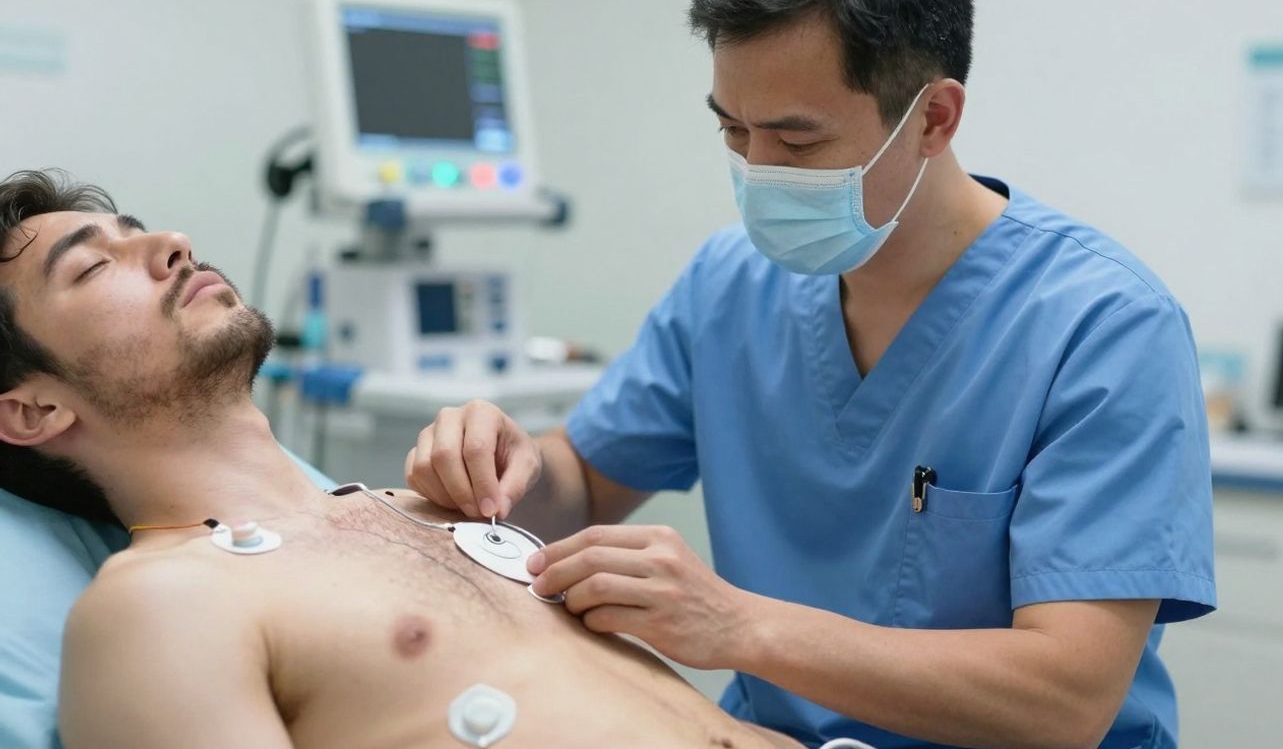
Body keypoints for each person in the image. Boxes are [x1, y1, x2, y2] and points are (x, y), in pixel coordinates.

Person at [401, 0, 1217, 748]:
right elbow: (584, 481)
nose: (757, 170)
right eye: (731, 129)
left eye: (796, 137)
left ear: (933, 117)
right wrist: (510, 468)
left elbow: (1066, 698)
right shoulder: (730, 286)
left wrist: (739, 626)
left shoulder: (1102, 325)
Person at [0, 169, 808, 749]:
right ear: (32, 410)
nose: (173, 244)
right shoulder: (158, 608)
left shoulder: (428, 507)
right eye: (95, 263)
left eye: (143, 230)